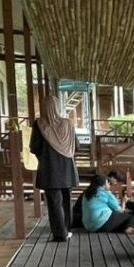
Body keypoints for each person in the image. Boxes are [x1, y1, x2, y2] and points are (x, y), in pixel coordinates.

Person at [29, 95, 78, 242]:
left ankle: (60, 234)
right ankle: (67, 230)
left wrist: (45, 155)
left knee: (54, 203)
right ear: (57, 107)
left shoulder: (39, 124)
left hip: (49, 170)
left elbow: (34, 147)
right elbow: (77, 145)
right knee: (66, 201)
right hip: (68, 170)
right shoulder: (68, 123)